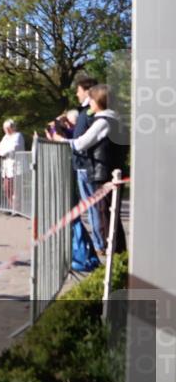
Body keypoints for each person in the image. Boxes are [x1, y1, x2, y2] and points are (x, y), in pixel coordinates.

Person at [55, 84, 127, 255]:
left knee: (105, 217)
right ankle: (119, 254)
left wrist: (61, 140)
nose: (90, 103)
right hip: (110, 172)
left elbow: (81, 143)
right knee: (111, 216)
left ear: (99, 101)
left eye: (92, 99)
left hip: (103, 174)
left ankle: (112, 254)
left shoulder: (103, 121)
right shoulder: (115, 119)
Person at [67, 76, 106, 252]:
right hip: (84, 165)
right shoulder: (86, 113)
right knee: (92, 208)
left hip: (87, 166)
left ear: (87, 91)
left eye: (79, 90)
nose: (77, 94)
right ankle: (100, 242)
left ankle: (100, 243)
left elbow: (83, 141)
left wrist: (63, 140)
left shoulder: (90, 114)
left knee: (93, 208)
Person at [0, 119, 25, 209]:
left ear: (12, 127)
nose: (6, 130)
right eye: (5, 128)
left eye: (8, 128)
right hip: (6, 167)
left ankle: (17, 208)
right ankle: (12, 207)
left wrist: (0, 152)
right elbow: (0, 146)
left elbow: (12, 148)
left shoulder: (18, 135)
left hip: (16, 167)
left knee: (16, 189)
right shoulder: (5, 137)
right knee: (6, 188)